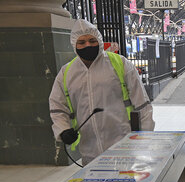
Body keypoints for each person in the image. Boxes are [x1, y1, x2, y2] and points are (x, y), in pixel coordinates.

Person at [49, 19, 155, 165]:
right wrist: (63, 130)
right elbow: (57, 107)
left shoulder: (120, 64)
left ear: (99, 39)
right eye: (82, 42)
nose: (88, 45)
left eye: (92, 40)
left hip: (124, 146)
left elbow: (142, 104)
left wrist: (146, 138)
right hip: (89, 151)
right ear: (74, 44)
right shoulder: (66, 73)